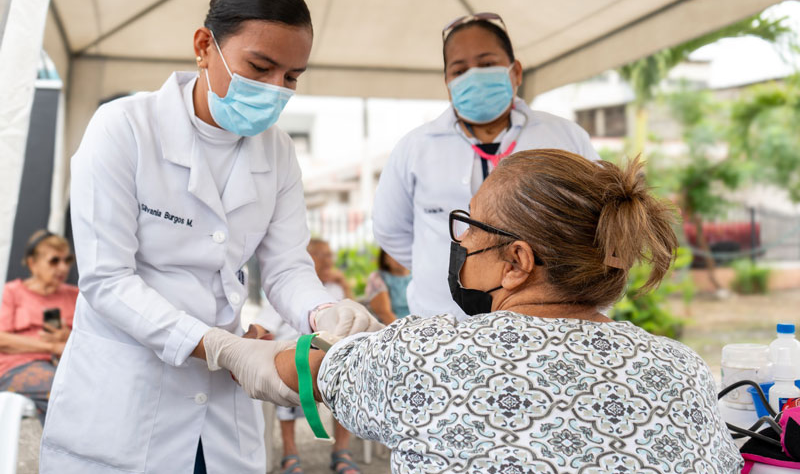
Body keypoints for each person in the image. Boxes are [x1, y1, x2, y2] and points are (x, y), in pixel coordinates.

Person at [40, 0, 380, 473]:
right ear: (204, 46)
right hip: (126, 394)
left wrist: (324, 312)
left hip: (220, 406)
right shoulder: (124, 129)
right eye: (260, 67)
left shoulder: (279, 150)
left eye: (291, 77)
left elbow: (285, 267)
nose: (275, 90)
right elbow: (106, 280)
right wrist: (223, 347)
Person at [240, 150, 743, 472]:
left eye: (471, 229)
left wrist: (231, 349)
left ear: (517, 261)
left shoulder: (427, 351)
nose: (459, 243)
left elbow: (298, 365)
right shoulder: (683, 368)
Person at [373, 12, 599, 321]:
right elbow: (390, 230)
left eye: (487, 64)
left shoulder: (564, 136)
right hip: (443, 321)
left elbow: (594, 222)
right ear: (448, 83)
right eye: (460, 69)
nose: (474, 76)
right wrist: (443, 267)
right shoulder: (415, 147)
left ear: (515, 72)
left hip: (549, 321)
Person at [269, 238, 361, 474]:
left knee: (347, 383)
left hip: (328, 354)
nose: (330, 260)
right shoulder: (286, 288)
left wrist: (343, 283)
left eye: (330, 255)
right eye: (325, 255)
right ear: (310, 259)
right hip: (294, 351)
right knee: (286, 381)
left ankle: (341, 453)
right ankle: (291, 455)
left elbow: (351, 314)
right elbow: (266, 324)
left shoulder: (335, 288)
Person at [0, 231, 76, 424]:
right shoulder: (13, 292)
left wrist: (67, 336)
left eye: (68, 260)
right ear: (33, 263)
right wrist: (51, 347)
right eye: (54, 261)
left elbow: (88, 339)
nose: (63, 267)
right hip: (15, 368)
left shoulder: (74, 295)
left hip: (60, 368)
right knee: (63, 389)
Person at [365, 249, 411, 324]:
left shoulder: (418, 275)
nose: (400, 257)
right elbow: (384, 314)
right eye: (395, 254)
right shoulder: (378, 278)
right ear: (385, 259)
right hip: (397, 328)